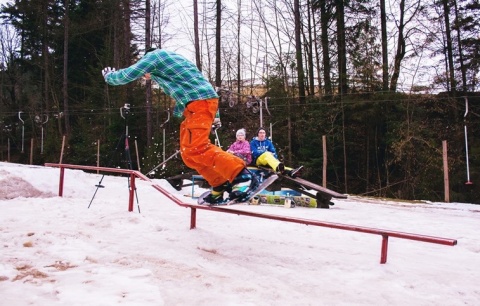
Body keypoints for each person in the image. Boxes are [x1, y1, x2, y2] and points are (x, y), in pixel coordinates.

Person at [102, 48, 257, 204]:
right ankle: (219, 184)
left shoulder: (153, 56)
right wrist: (215, 117)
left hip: (199, 104)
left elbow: (129, 74)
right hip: (197, 106)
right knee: (188, 155)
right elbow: (199, 83)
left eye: (146, 74)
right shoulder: (177, 60)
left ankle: (241, 175)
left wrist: (110, 77)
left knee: (198, 148)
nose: (146, 77)